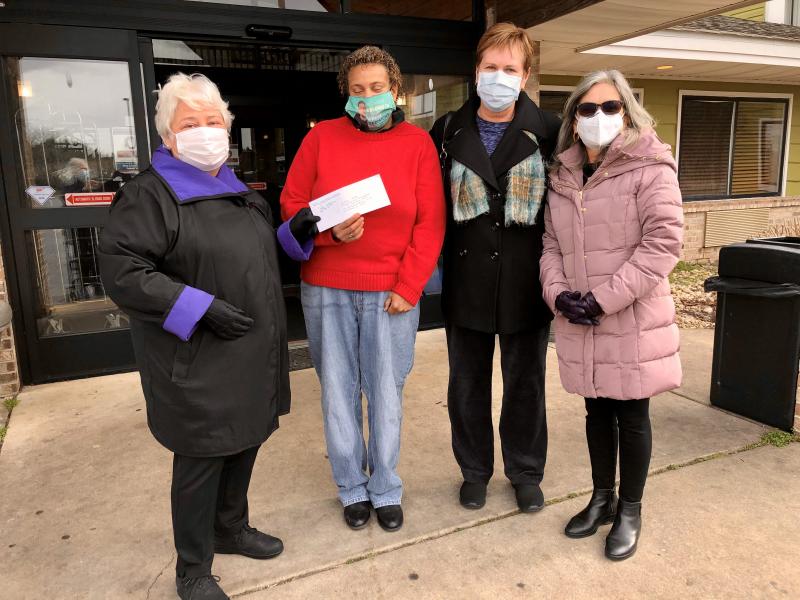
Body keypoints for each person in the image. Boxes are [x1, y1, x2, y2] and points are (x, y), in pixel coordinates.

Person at [99, 73, 291, 600]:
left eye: (213, 122)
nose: (204, 132)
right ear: (168, 136)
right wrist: (199, 307)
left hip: (249, 350)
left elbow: (252, 257)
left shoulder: (237, 189)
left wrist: (294, 235)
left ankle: (230, 528)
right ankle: (192, 567)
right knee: (202, 460)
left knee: (245, 441)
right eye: (190, 124)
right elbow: (124, 271)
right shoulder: (149, 195)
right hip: (196, 358)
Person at [278, 46, 445, 533]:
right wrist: (330, 233)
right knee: (338, 393)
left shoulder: (417, 145)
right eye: (357, 90)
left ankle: (385, 486)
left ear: (396, 92)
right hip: (326, 287)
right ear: (346, 95)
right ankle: (351, 485)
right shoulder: (320, 140)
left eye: (376, 89)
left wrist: (410, 286)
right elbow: (292, 203)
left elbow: (430, 223)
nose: (367, 98)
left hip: (391, 292)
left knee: (386, 394)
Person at [540, 69, 683, 561]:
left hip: (629, 315)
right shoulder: (560, 174)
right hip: (581, 317)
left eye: (609, 107)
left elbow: (663, 243)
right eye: (587, 108)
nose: (598, 117)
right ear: (573, 117)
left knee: (632, 413)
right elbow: (551, 245)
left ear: (626, 112)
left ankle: (630, 509)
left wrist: (604, 300)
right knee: (595, 409)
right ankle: (601, 497)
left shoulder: (651, 167)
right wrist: (558, 294)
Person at [430, 23, 561, 512]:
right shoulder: (446, 129)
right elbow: (428, 207)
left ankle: (525, 469)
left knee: (525, 384)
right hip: (467, 280)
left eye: (510, 68)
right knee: (466, 384)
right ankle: (474, 470)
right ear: (476, 71)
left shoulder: (549, 130)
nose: (499, 76)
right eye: (491, 67)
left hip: (527, 280)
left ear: (525, 75)